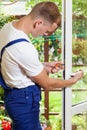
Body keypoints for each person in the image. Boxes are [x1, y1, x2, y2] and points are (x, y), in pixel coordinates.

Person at [0, 2, 83, 130]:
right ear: (38, 23)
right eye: (46, 31)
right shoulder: (23, 48)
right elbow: (47, 83)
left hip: (15, 98)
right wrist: (72, 80)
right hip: (24, 102)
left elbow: (14, 60)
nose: (45, 35)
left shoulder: (7, 28)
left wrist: (43, 66)